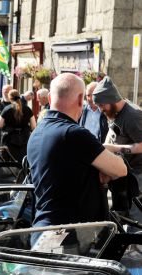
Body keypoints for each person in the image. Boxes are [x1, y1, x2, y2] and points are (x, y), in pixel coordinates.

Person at [27, 73, 126, 227]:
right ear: (81, 99)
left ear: (51, 98)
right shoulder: (73, 134)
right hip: (73, 235)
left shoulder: (36, 133)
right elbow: (121, 169)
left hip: (43, 228)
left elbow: (67, 174)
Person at [93, 76, 142, 229]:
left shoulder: (133, 115)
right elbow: (112, 131)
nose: (100, 109)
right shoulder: (114, 111)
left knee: (136, 214)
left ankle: (136, 250)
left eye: (102, 105)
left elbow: (141, 145)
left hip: (138, 172)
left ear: (112, 100)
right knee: (124, 213)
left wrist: (113, 149)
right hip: (125, 171)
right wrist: (105, 147)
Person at [0, 89, 37, 163]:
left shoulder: (7, 109)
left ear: (10, 99)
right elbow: (33, 126)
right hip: (24, 139)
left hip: (9, 139)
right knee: (23, 161)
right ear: (19, 96)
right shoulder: (27, 109)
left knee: (9, 161)